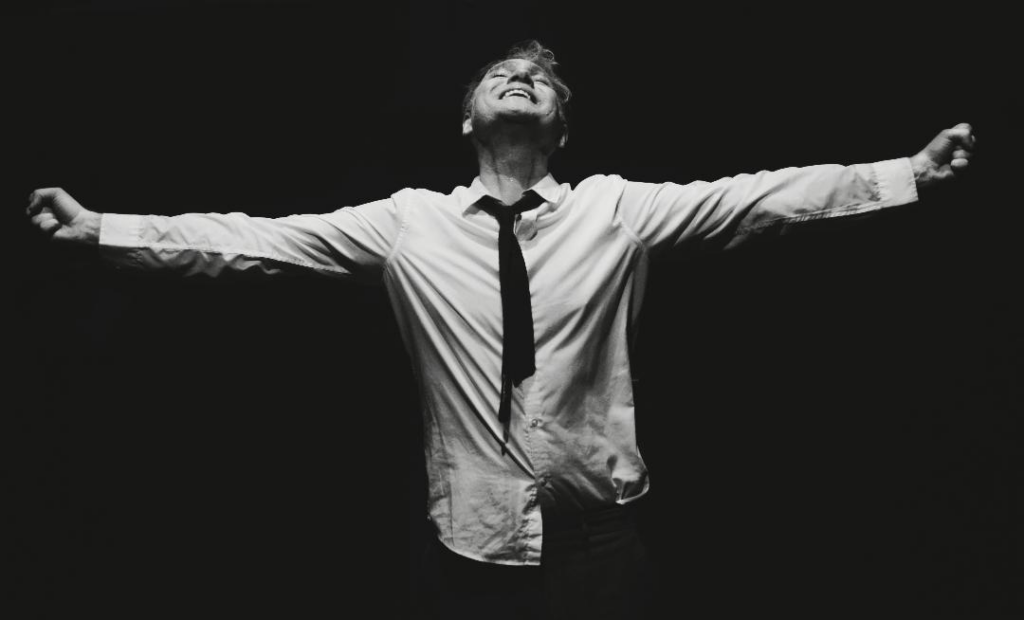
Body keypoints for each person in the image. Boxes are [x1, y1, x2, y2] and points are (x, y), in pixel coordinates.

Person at [26, 40, 975, 619]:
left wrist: (906, 175)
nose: (520, 78)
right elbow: (255, 242)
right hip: (467, 553)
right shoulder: (408, 222)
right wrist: (102, 229)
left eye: (539, 80)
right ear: (467, 119)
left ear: (559, 128)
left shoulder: (613, 209)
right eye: (500, 73)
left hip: (605, 547)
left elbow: (756, 199)